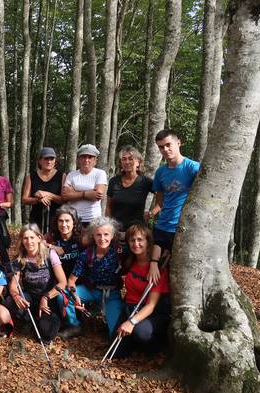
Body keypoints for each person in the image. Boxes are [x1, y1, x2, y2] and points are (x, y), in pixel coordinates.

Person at [112, 224, 170, 358]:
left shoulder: (157, 269)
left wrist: (131, 322)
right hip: (130, 308)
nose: (136, 244)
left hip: (150, 312)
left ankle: (155, 346)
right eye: (132, 240)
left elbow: (151, 305)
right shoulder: (130, 261)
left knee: (140, 332)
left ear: (148, 242)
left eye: (140, 240)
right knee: (118, 353)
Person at [149, 129, 200, 278]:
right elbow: (160, 201)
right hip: (162, 226)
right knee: (156, 270)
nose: (165, 149)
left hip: (182, 228)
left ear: (178, 143)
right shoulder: (160, 173)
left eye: (168, 145)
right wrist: (152, 213)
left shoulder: (193, 167)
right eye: (161, 147)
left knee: (177, 273)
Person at [4, 224, 67, 342]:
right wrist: (16, 295)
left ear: (39, 238)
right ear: (22, 241)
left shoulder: (50, 254)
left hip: (49, 297)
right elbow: (13, 284)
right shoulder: (20, 258)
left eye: (32, 237)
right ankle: (27, 320)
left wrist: (46, 297)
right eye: (25, 238)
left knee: (47, 335)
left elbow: (63, 282)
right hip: (30, 298)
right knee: (10, 300)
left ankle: (43, 320)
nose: (29, 242)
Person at [67, 216, 125, 339]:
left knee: (115, 334)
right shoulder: (86, 254)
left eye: (106, 234)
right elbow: (71, 280)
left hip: (111, 294)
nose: (102, 238)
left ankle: (108, 323)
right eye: (98, 234)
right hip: (90, 290)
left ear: (112, 235)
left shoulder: (119, 252)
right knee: (64, 296)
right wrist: (74, 295)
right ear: (93, 235)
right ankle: (75, 325)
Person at [47, 206, 83, 332]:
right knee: (60, 298)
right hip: (59, 281)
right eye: (60, 221)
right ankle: (71, 324)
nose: (64, 224)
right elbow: (36, 240)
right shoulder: (53, 237)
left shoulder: (81, 239)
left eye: (67, 221)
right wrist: (52, 246)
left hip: (79, 281)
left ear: (74, 222)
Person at [105, 146, 154, 231]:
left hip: (136, 231)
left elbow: (163, 197)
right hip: (116, 230)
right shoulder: (114, 181)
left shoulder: (145, 182)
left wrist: (152, 213)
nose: (127, 162)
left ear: (138, 162)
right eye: (124, 159)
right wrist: (108, 226)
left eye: (131, 159)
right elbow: (108, 206)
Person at [61, 144, 108, 226]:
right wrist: (86, 194)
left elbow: (97, 195)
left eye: (90, 157)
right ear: (78, 159)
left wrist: (74, 192)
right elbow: (65, 196)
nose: (86, 160)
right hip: (73, 219)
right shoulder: (71, 175)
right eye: (83, 157)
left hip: (93, 220)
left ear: (95, 160)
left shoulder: (100, 173)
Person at [22, 147, 64, 235]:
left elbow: (64, 199)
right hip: (36, 218)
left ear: (55, 161)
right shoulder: (31, 176)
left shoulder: (62, 176)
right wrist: (38, 200)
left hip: (56, 218)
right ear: (40, 161)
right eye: (46, 158)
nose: (49, 161)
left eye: (51, 159)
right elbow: (24, 200)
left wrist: (48, 195)